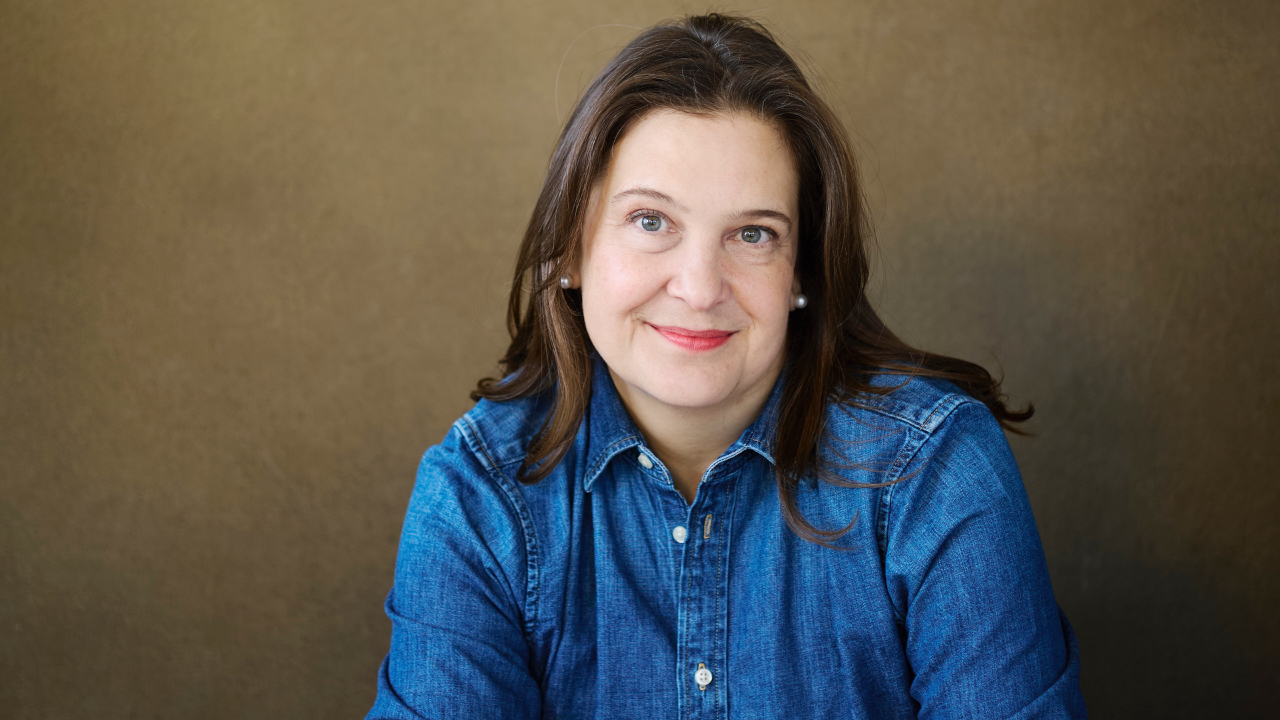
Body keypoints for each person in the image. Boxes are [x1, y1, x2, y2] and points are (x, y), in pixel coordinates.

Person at [367, 13, 1085, 719]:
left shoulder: (935, 474)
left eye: (752, 233)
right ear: (572, 250)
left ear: (801, 271)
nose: (700, 287)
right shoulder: (477, 498)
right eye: (651, 222)